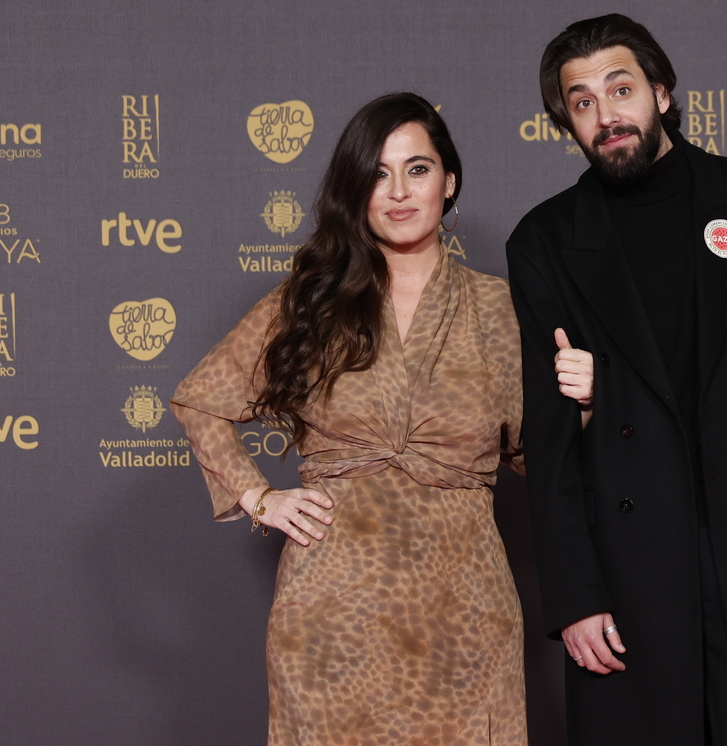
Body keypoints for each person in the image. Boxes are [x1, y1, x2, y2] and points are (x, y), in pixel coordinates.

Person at [171, 93, 594, 746]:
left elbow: (540, 457)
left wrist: (586, 408)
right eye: (377, 173)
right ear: (355, 189)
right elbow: (202, 400)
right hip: (331, 613)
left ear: (449, 182)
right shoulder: (311, 301)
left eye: (417, 169)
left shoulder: (499, 309)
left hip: (464, 611)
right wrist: (257, 497)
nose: (398, 191)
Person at [506, 15, 727, 746]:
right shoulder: (543, 240)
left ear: (661, 93)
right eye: (582, 103)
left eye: (621, 89)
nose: (607, 116)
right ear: (566, 122)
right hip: (629, 565)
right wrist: (573, 598)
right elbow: (548, 442)